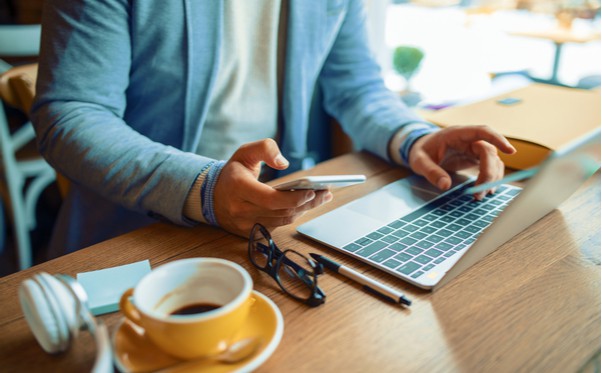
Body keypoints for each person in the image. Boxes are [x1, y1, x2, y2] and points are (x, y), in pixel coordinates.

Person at [31, 0, 515, 259]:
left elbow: (355, 85)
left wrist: (415, 138)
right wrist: (201, 188)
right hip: (140, 231)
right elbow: (72, 111)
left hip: (286, 224)